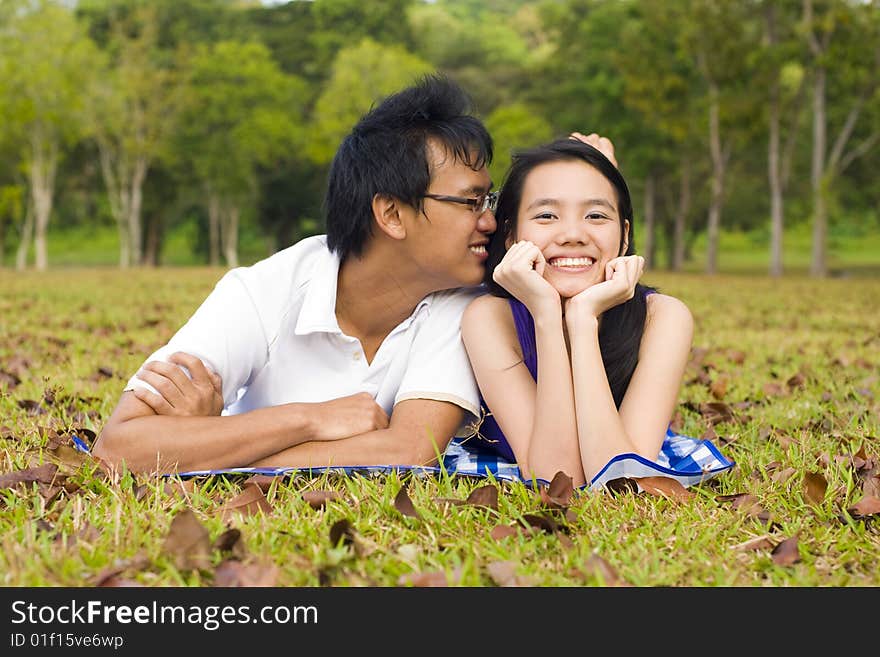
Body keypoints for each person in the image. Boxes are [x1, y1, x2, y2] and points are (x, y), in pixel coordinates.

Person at [92, 74, 616, 476]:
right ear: (390, 214)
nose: (490, 220)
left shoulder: (462, 303)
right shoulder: (261, 292)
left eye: (490, 199)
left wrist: (207, 442)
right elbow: (118, 447)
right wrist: (309, 418)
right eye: (470, 201)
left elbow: (408, 450)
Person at [460, 138, 694, 489]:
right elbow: (557, 476)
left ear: (625, 235)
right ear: (510, 236)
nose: (572, 235)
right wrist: (546, 314)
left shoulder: (662, 318)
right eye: (546, 215)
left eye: (596, 215)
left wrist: (583, 321)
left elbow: (623, 479)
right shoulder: (490, 319)